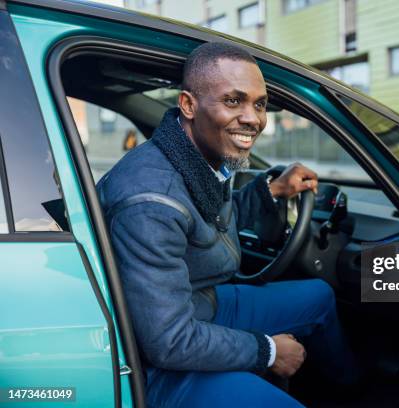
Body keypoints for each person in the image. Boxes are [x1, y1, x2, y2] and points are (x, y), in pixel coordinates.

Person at [96, 42, 358, 407]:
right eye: (234, 101)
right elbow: (169, 341)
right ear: (188, 105)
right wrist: (267, 351)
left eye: (260, 103)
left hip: (201, 304)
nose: (254, 118)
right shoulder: (150, 201)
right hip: (156, 365)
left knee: (319, 296)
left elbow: (209, 219)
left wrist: (272, 191)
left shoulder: (196, 157)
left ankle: (354, 392)